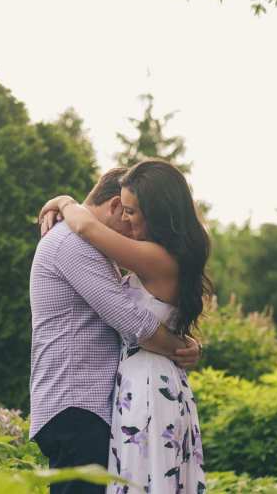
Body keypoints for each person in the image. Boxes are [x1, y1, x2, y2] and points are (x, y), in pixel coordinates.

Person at [29, 164, 203, 494]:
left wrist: (65, 201)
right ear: (114, 206)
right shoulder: (73, 245)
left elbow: (138, 318)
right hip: (76, 405)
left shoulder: (101, 248)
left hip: (105, 402)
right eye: (129, 212)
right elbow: (134, 323)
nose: (134, 225)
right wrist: (180, 345)